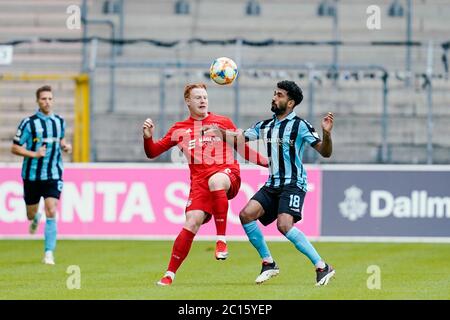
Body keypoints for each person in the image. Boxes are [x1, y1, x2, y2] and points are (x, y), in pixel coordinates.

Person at [205, 80, 335, 286]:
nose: (274, 97)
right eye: (275, 93)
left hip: (294, 182)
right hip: (273, 183)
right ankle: (268, 262)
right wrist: (220, 133)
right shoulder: (265, 125)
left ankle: (322, 266)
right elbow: (240, 138)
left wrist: (327, 134)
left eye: (280, 95)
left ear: (290, 103)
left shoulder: (299, 125)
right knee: (246, 215)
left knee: (284, 225)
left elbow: (325, 152)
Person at [143, 83, 267, 286]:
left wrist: (267, 163)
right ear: (188, 102)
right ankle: (169, 274)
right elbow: (153, 152)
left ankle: (221, 240)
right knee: (191, 221)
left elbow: (242, 149)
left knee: (216, 180)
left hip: (228, 174)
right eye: (198, 97)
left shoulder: (222, 122)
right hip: (200, 183)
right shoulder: (179, 129)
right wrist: (147, 138)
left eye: (205, 97)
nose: (203, 100)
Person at [11, 85, 72, 265]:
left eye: (50, 98)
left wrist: (65, 146)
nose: (47, 102)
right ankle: (35, 218)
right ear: (37, 101)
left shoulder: (59, 121)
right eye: (44, 98)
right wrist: (34, 154)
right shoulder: (28, 123)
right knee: (30, 214)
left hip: (53, 173)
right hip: (32, 176)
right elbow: (15, 147)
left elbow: (62, 139)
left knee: (52, 209)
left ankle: (49, 253)